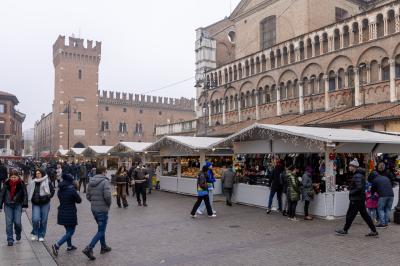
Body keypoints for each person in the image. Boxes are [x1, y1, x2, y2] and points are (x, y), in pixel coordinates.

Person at [336, 159, 378, 237]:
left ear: (354, 167)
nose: (348, 167)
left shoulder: (357, 175)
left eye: (350, 166)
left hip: (356, 199)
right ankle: (374, 231)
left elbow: (359, 187)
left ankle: (345, 230)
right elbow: (359, 187)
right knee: (364, 215)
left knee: (350, 215)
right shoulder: (359, 175)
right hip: (359, 199)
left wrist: (351, 192)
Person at [83, 166, 112, 261]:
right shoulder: (105, 181)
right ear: (103, 172)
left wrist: (94, 201)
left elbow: (87, 196)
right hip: (102, 209)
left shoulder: (91, 182)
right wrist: (108, 205)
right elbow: (107, 196)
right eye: (106, 171)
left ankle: (103, 246)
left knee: (101, 228)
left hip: (94, 209)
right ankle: (89, 248)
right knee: (101, 230)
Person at [51, 173, 82, 257]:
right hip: (70, 212)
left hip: (61, 212)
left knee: (68, 230)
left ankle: (69, 246)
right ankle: (57, 245)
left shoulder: (60, 189)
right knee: (71, 232)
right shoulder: (72, 190)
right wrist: (77, 191)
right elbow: (79, 200)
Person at [0, 169, 28, 246]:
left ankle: (18, 233)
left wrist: (25, 205)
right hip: (8, 205)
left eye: (15, 177)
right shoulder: (6, 183)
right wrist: (0, 206)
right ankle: (10, 239)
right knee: (9, 223)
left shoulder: (21, 183)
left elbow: (25, 194)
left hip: (17, 205)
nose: (13, 178)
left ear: (18, 177)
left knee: (17, 222)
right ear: (10, 177)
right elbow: (2, 194)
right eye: (12, 177)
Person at [28, 168, 55, 242]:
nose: (37, 175)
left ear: (42, 174)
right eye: (36, 173)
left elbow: (52, 191)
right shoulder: (33, 182)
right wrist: (32, 198)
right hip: (36, 203)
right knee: (35, 219)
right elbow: (29, 192)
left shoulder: (47, 182)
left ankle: (41, 235)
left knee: (43, 220)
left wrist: (47, 196)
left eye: (39, 173)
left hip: (45, 203)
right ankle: (35, 232)